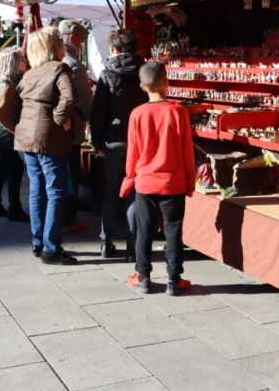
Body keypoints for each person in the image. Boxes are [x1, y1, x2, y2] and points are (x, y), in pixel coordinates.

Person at [121, 61, 195, 296]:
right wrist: (190, 182)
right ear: (166, 82)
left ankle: (143, 276)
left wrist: (129, 180)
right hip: (173, 183)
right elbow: (187, 150)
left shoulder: (137, 114)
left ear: (142, 87)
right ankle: (174, 279)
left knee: (144, 230)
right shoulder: (179, 111)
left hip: (145, 182)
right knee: (173, 231)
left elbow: (132, 153)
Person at [15, 27, 78, 265]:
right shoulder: (59, 68)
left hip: (26, 137)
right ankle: (50, 247)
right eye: (60, 41)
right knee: (55, 192)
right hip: (47, 138)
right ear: (53, 46)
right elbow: (69, 97)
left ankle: (38, 241)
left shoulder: (30, 73)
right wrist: (60, 118)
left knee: (37, 190)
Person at [90, 28, 148, 260]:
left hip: (114, 140)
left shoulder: (107, 74)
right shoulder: (144, 72)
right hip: (140, 140)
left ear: (115, 49)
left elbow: (98, 113)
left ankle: (106, 241)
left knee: (113, 190)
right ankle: (133, 246)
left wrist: (96, 140)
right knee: (134, 191)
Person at [58, 20, 95, 235]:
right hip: (71, 128)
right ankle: (68, 219)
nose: (81, 43)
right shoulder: (72, 63)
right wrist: (92, 120)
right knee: (71, 174)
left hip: (58, 127)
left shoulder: (54, 58)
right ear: (72, 37)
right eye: (81, 38)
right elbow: (85, 102)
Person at [0, 46, 30, 222]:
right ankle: (14, 208)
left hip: (1, 133)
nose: (25, 61)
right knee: (15, 172)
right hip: (9, 134)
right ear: (14, 63)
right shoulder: (11, 83)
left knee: (2, 170)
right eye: (22, 59)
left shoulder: (4, 80)